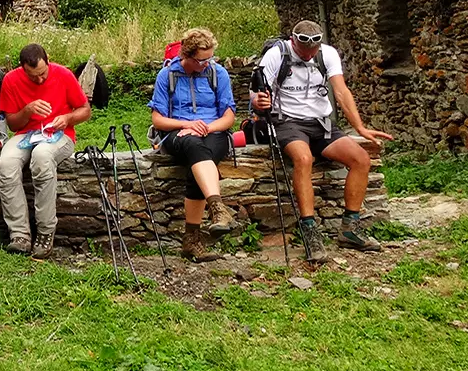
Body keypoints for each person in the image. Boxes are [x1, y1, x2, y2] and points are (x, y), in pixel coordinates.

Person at [250, 19, 394, 261]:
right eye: (303, 51)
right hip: (287, 122)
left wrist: (359, 127)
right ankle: (310, 230)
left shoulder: (327, 54)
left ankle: (350, 228)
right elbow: (256, 93)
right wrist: (259, 101)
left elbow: (341, 91)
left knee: (360, 159)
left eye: (313, 51)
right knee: (303, 158)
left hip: (321, 122)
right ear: (293, 41)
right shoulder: (276, 55)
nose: (308, 56)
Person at [149, 28, 239, 261]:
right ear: (186, 56)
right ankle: (217, 208)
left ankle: (191, 241)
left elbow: (229, 117)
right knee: (194, 146)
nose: (206, 64)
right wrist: (186, 124)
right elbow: (158, 119)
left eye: (210, 58)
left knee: (198, 161)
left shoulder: (218, 73)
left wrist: (206, 128)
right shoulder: (167, 75)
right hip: (177, 132)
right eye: (201, 61)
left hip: (214, 131)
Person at [0, 43, 91, 259]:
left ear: (48, 60)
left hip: (60, 134)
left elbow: (85, 110)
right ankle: (19, 235)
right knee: (7, 163)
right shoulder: (11, 79)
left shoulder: (63, 75)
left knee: (41, 157)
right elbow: (12, 124)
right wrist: (27, 111)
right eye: (33, 76)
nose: (39, 80)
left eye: (43, 74)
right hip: (26, 135)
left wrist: (67, 118)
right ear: (22, 68)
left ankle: (45, 232)